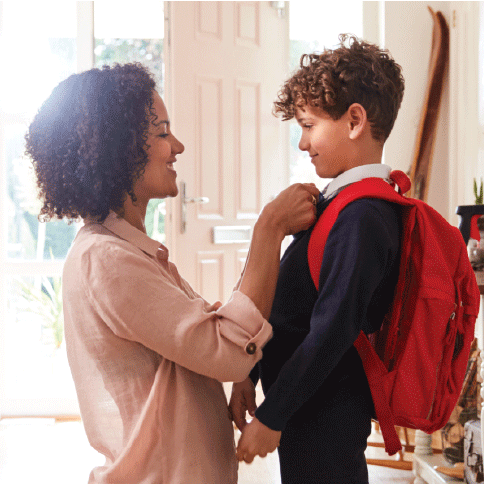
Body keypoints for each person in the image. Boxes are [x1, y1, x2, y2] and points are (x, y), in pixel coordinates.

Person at [24, 62, 320, 484]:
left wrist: (241, 371)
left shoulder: (130, 252)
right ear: (119, 150)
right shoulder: (108, 261)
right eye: (162, 133)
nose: (177, 146)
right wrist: (269, 228)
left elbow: (208, 340)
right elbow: (227, 348)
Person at [230, 34, 405, 483]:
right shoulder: (341, 205)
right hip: (309, 403)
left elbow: (333, 328)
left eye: (308, 126)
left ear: (354, 121)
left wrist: (274, 415)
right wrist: (249, 373)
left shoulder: (364, 215)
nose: (303, 144)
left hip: (326, 406)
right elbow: (292, 303)